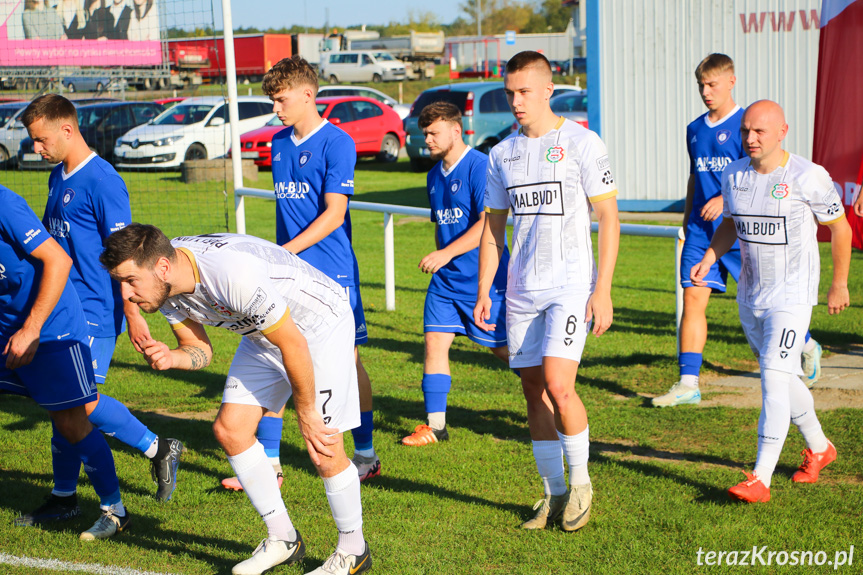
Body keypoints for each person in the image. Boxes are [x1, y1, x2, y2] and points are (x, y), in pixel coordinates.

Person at [101, 225, 371, 575]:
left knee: (323, 444)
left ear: (162, 267)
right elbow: (199, 351)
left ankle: (354, 551)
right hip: (264, 334)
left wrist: (307, 413)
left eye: (130, 280)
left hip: (318, 327)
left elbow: (293, 344)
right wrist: (172, 357)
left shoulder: (232, 274)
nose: (126, 293)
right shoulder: (163, 285)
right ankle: (283, 540)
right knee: (231, 430)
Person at [16, 94, 182, 528]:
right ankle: (63, 497)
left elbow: (126, 255)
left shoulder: (104, 181)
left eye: (41, 139)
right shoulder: (58, 176)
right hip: (60, 310)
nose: (37, 148)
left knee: (80, 405)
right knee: (61, 408)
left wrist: (132, 312)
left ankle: (157, 447)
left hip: (92, 310)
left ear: (67, 130)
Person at [474, 51, 620, 532]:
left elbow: (608, 217)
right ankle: (553, 494)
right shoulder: (502, 154)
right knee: (533, 391)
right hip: (521, 291)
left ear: (547, 90)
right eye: (509, 92)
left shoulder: (581, 142)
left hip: (570, 285)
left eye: (524, 92)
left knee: (560, 385)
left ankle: (581, 484)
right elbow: (493, 230)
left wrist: (603, 289)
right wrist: (483, 291)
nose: (515, 101)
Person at [691, 100, 851, 503]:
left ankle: (760, 478)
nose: (750, 138)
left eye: (760, 131)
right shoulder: (734, 174)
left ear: (783, 131)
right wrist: (710, 258)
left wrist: (840, 284)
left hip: (793, 296)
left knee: (771, 378)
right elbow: (730, 223)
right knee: (782, 376)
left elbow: (841, 229)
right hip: (752, 296)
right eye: (746, 130)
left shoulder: (808, 176)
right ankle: (819, 447)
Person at [653, 54, 822, 408]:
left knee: (768, 304)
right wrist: (688, 218)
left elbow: (756, 171)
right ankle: (688, 383)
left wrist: (721, 199)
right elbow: (693, 177)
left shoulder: (749, 125)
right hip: (702, 232)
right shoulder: (695, 129)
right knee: (693, 298)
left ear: (731, 81)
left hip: (744, 232)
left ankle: (806, 344)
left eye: (712, 84)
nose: (705, 91)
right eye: (701, 85)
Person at [257, 55, 380, 484]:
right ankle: (270, 461)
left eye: (281, 99)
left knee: (347, 362)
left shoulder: (338, 142)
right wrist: (281, 258)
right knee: (277, 354)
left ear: (308, 95)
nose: (276, 108)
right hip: (289, 271)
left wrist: (284, 251)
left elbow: (333, 215)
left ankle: (364, 453)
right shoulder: (277, 143)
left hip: (332, 272)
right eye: (273, 101)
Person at [1, 184, 129, 541]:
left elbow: (59, 260)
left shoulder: (4, 203)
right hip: (5, 323)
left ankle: (115, 510)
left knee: (72, 419)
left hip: (49, 327)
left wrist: (31, 329)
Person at [401, 101, 510, 446]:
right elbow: (444, 228)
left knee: (507, 352)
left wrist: (446, 253)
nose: (427, 140)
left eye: (433, 133)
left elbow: (487, 224)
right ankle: (435, 427)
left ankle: (553, 395)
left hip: (485, 279)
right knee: (434, 342)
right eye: (424, 134)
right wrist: (444, 257)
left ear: (455, 130)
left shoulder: (480, 167)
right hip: (446, 283)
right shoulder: (434, 175)